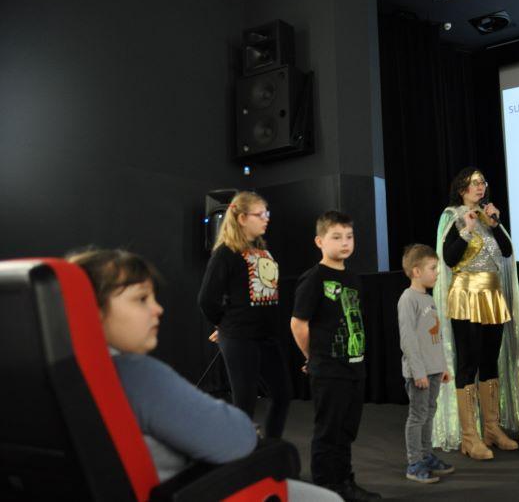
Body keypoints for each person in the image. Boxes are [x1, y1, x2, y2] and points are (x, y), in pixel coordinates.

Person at [68, 248, 342, 501]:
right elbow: (239, 441)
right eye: (141, 299)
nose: (157, 309)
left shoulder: (64, 377)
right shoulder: (136, 374)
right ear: (92, 309)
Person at [432, 168, 519, 459]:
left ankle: (491, 428)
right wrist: (466, 230)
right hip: (466, 295)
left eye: (483, 182)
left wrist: (495, 223)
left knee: (489, 361)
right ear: (462, 189)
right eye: (475, 183)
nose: (481, 187)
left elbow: (505, 252)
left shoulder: (488, 216)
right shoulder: (453, 217)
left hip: (492, 295)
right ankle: (470, 436)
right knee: (468, 363)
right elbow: (449, 258)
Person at [290, 211, 381, 502]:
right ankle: (325, 489)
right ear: (320, 241)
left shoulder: (352, 277)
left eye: (349, 237)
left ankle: (344, 482)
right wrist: (313, 357)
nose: (345, 243)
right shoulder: (314, 278)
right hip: (329, 369)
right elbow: (298, 324)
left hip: (354, 367)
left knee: (346, 431)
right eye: (337, 237)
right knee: (328, 431)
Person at [198, 191, 291, 439]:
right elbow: (207, 299)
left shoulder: (261, 249)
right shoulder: (226, 253)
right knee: (245, 403)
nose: (265, 218)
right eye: (259, 214)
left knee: (282, 395)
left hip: (266, 336)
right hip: (240, 337)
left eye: (266, 213)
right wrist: (224, 325)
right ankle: (241, 453)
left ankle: (271, 447)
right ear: (241, 219)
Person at [397, 244, 455, 484]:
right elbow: (408, 339)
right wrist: (418, 371)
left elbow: (436, 337)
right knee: (418, 416)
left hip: (433, 371)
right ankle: (414, 463)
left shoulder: (428, 299)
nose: (437, 272)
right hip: (419, 373)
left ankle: (426, 455)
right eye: (433, 268)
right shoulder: (408, 299)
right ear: (416, 271)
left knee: (429, 413)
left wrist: (442, 366)